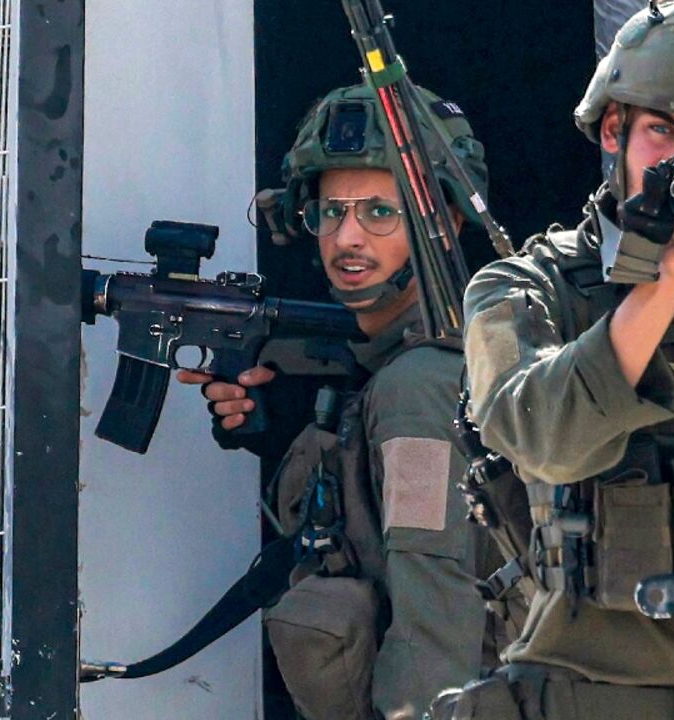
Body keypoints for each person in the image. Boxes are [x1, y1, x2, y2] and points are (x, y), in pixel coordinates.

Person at [179, 83, 520, 720]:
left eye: (379, 213)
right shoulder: (391, 366)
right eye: (331, 213)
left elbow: (435, 619)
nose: (347, 237)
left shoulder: (419, 389)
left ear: (444, 220)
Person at [430, 2, 674, 718]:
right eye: (666, 132)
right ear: (611, 131)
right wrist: (659, 289)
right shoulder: (525, 288)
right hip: (583, 691)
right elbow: (541, 439)